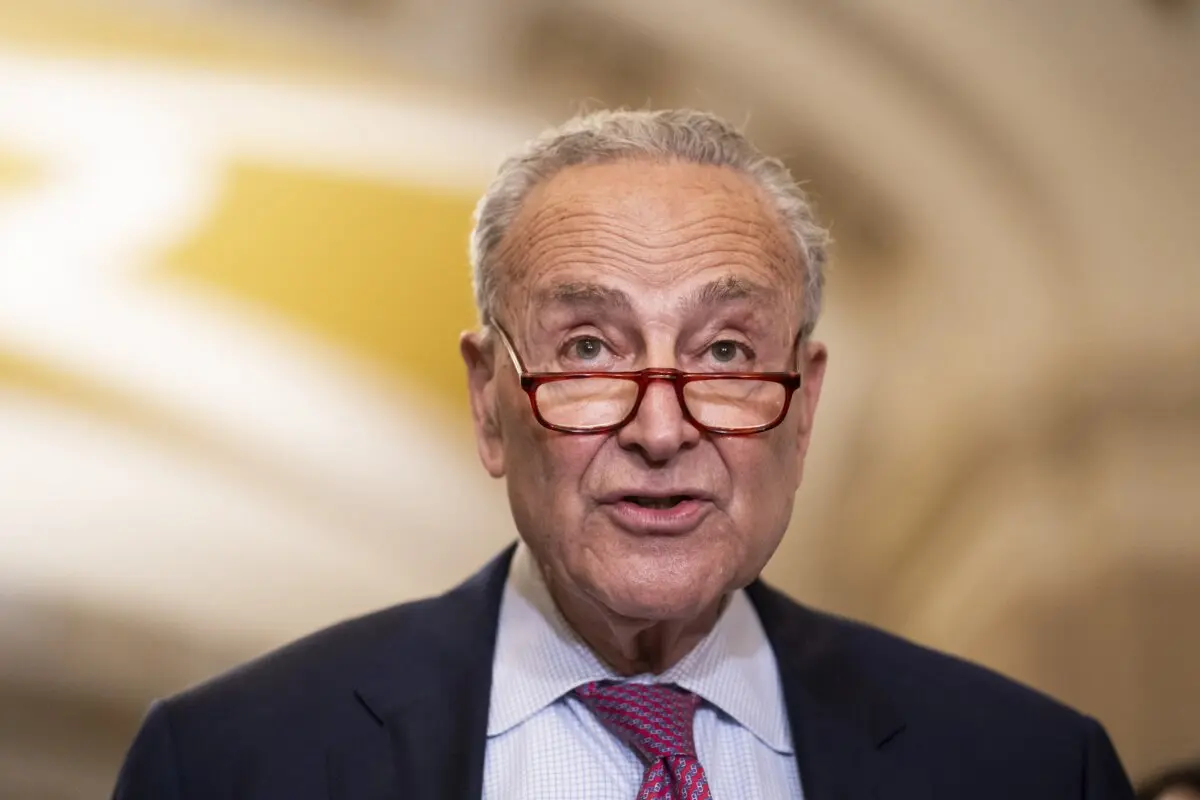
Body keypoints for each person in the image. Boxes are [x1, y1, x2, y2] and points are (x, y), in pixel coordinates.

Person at [112, 108, 1136, 799]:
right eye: (590, 348)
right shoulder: (231, 762)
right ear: (489, 400)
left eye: (727, 351)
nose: (659, 429)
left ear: (805, 402)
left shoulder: (1031, 767)